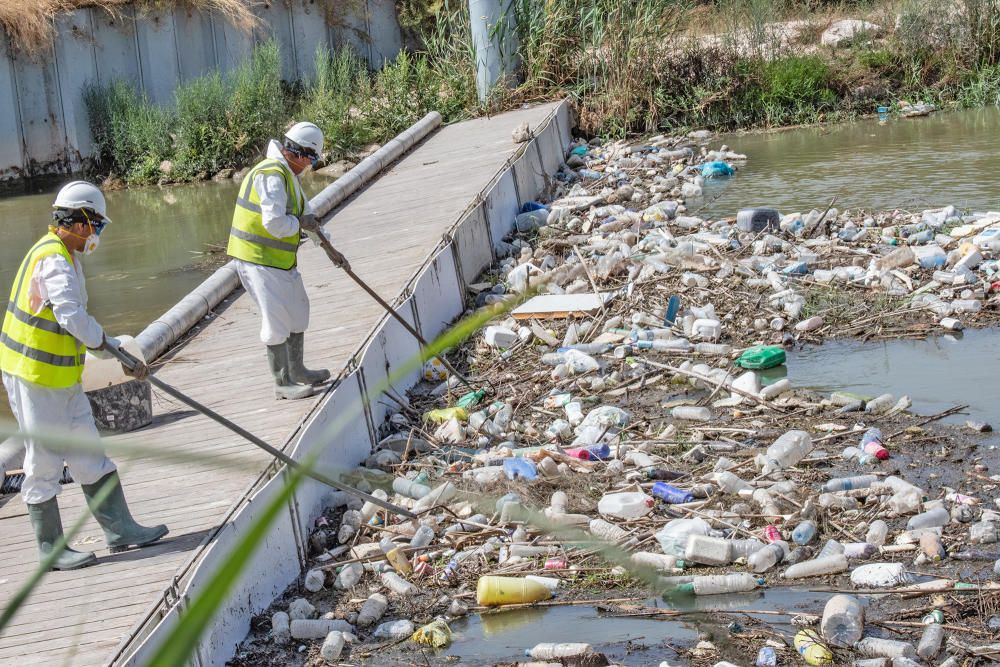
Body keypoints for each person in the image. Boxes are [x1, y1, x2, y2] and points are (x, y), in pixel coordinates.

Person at [0, 181, 168, 570]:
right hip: (35, 378)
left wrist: (108, 349)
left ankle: (121, 529)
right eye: (96, 226)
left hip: (62, 378)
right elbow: (71, 316)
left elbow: (73, 322)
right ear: (79, 223)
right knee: (43, 461)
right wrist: (111, 349)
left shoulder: (64, 255)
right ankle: (51, 550)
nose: (97, 235)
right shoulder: (54, 260)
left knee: (89, 452)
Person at [226, 121, 348, 400]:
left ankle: (298, 370)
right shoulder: (271, 175)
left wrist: (330, 249)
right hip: (257, 259)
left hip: (279, 261)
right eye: (312, 158)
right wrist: (299, 224)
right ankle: (282, 382)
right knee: (276, 320)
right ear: (300, 153)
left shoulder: (286, 176)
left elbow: (309, 219)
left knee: (298, 311)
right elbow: (275, 223)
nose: (311, 165)